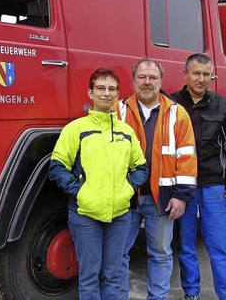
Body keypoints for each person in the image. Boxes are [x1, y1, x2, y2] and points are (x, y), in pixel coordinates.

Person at [48, 68, 149, 300]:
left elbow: (141, 168)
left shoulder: (126, 132)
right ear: (90, 93)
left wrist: (127, 189)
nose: (106, 93)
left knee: (113, 274)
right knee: (89, 275)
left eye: (112, 89)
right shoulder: (76, 129)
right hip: (85, 215)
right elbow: (56, 167)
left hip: (120, 215)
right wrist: (81, 192)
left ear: (117, 95)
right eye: (100, 88)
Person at [117, 58, 197, 300]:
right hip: (125, 198)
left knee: (160, 254)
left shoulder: (177, 113)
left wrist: (181, 196)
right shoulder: (117, 110)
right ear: (133, 81)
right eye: (142, 77)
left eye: (152, 77)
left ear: (161, 81)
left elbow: (186, 156)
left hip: (160, 198)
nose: (147, 82)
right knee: (118, 253)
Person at [171, 53, 226, 300]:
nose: (201, 79)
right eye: (196, 73)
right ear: (186, 74)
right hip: (183, 186)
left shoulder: (221, 104)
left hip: (213, 184)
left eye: (206, 74)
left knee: (219, 244)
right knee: (185, 243)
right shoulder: (172, 104)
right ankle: (191, 292)